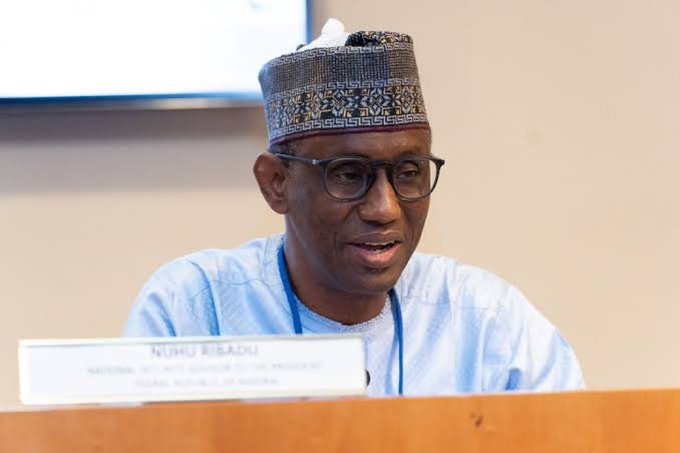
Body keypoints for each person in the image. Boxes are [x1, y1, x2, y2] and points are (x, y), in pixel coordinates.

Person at [124, 20, 584, 396]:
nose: (384, 209)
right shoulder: (194, 312)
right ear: (276, 183)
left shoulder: (487, 323)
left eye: (407, 172)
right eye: (348, 174)